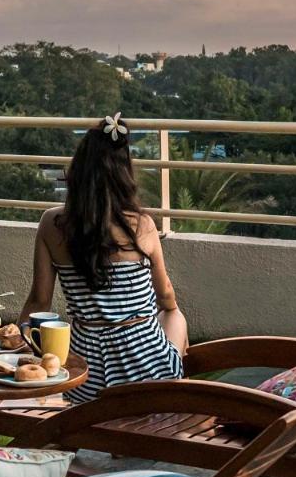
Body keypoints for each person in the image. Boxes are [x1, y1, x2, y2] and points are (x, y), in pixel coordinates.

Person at [19, 113, 188, 403]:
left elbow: (39, 301)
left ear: (78, 170)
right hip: (148, 376)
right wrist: (168, 311)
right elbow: (166, 297)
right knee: (173, 315)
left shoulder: (52, 224)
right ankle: (175, 386)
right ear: (125, 174)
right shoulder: (142, 225)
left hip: (85, 381)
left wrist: (19, 345)